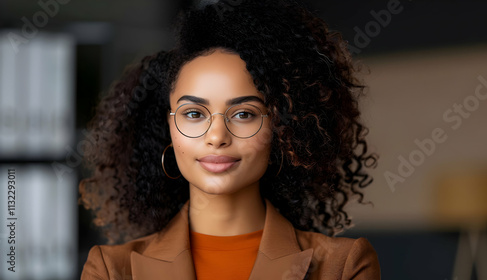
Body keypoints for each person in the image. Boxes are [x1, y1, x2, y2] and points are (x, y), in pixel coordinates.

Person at [79, 0, 381, 279]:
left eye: (244, 114)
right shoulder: (110, 270)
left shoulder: (343, 266)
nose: (217, 137)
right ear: (167, 126)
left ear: (282, 128)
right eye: (194, 114)